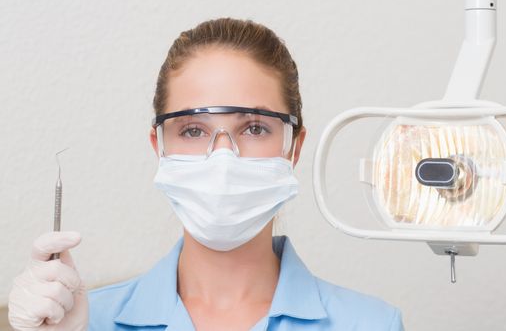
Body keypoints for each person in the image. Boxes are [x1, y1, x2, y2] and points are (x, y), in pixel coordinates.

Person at [8, 18, 404, 331]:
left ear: (294, 148)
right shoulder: (86, 322)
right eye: (193, 131)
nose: (223, 159)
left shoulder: (371, 324)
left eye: (254, 128)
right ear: (159, 147)